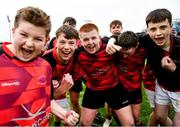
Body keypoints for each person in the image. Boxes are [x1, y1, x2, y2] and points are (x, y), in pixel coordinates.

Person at [106, 8, 180, 126]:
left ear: (171, 27)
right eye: (153, 29)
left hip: (178, 89)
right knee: (159, 116)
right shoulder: (146, 40)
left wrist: (175, 69)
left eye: (163, 27)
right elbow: (125, 36)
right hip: (161, 85)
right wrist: (111, 41)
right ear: (148, 31)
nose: (158, 33)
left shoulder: (178, 44)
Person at [77, 23, 134, 126]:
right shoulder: (78, 53)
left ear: (99, 38)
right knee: (84, 123)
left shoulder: (109, 46)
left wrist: (112, 40)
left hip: (114, 88)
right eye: (86, 39)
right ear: (80, 41)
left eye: (93, 38)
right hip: (93, 90)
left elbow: (122, 36)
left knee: (129, 124)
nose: (90, 42)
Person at [42, 25, 82, 126]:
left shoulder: (78, 52)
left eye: (71, 43)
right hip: (56, 85)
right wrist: (61, 89)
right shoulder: (45, 61)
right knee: (62, 111)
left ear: (76, 44)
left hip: (71, 77)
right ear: (56, 42)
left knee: (75, 104)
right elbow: (45, 100)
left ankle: (76, 123)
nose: (67, 47)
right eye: (62, 42)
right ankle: (57, 123)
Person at [103, 19, 123, 127]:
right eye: (114, 27)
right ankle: (108, 118)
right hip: (110, 75)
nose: (116, 29)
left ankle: (121, 117)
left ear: (122, 29)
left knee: (121, 99)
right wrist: (110, 41)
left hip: (123, 75)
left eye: (118, 27)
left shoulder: (124, 39)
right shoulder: (106, 40)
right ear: (110, 30)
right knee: (108, 100)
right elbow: (109, 38)